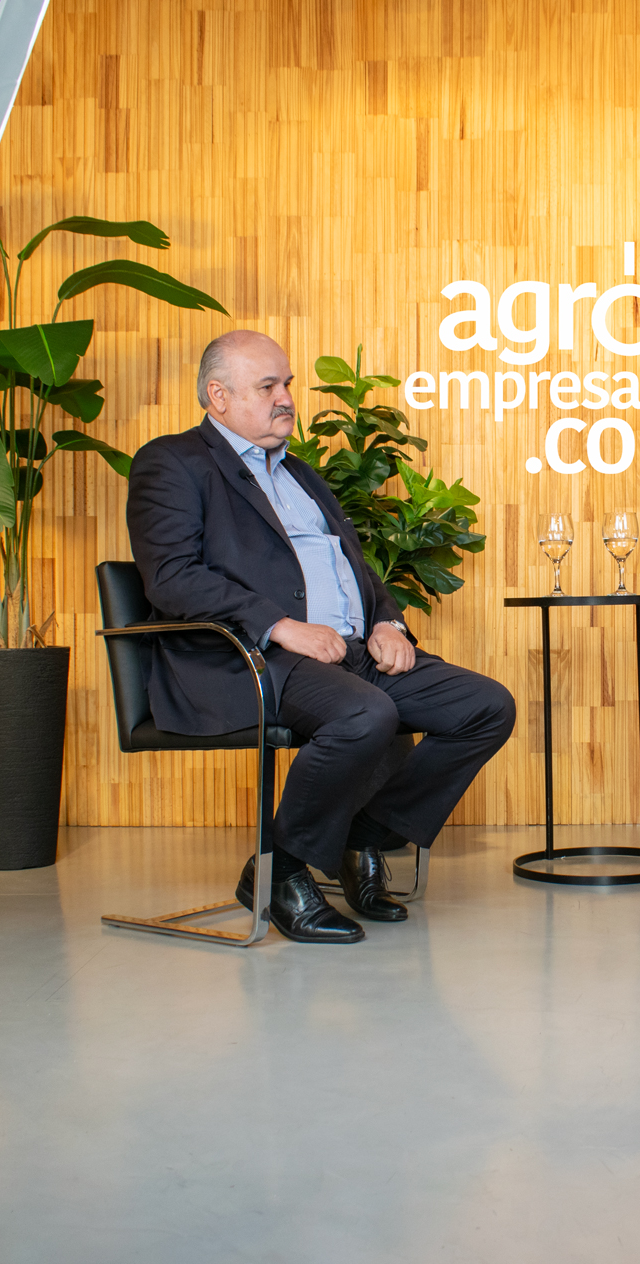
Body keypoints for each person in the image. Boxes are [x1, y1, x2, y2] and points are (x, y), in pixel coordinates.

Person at [126, 330, 516, 944]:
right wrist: (280, 626)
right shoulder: (173, 461)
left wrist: (388, 621)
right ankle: (280, 871)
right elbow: (172, 577)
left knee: (484, 707)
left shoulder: (300, 473)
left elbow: (353, 566)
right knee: (367, 714)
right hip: (250, 657)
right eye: (268, 387)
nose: (287, 398)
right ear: (217, 396)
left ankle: (362, 841)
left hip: (347, 652)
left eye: (287, 384)